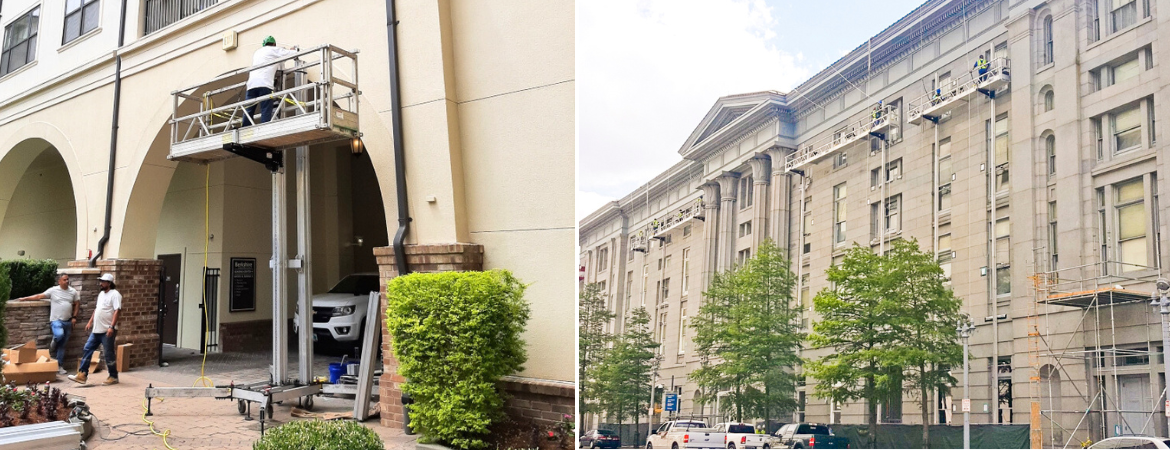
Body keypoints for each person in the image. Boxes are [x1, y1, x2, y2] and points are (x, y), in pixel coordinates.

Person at [13, 273, 79, 374]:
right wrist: (24, 298)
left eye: (67, 279)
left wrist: (74, 317)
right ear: (59, 281)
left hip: (68, 321)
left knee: (62, 345)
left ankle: (59, 366)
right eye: (64, 280)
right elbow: (39, 296)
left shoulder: (73, 291)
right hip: (56, 320)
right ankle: (55, 340)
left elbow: (77, 304)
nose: (67, 281)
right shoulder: (53, 290)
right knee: (59, 335)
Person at [69, 273, 121, 386]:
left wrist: (111, 327)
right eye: (100, 281)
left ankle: (113, 376)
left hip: (107, 330)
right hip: (96, 329)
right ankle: (82, 374)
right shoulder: (101, 294)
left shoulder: (115, 294)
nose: (100, 283)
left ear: (109, 283)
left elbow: (117, 310)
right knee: (87, 348)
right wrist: (90, 322)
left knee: (108, 353)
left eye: (103, 282)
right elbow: (97, 309)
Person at [244, 36, 300, 125]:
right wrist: (293, 50)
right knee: (265, 108)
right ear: (274, 44)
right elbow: (291, 53)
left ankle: (245, 127)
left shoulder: (257, 52)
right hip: (265, 84)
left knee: (249, 109)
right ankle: (265, 126)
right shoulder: (273, 50)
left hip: (251, 85)